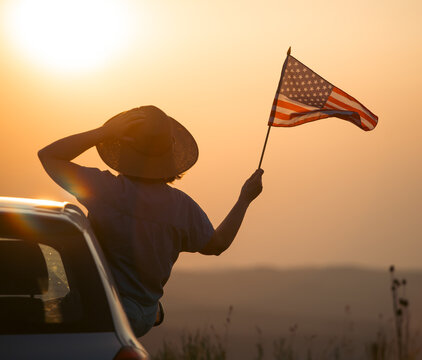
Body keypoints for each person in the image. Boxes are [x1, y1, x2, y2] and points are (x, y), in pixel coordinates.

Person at [38, 105, 263, 337]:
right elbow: (218, 244)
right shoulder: (183, 208)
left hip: (109, 311)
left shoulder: (106, 191)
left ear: (124, 150)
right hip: (145, 314)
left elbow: (49, 156)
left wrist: (103, 132)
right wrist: (244, 199)